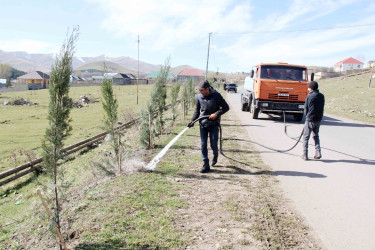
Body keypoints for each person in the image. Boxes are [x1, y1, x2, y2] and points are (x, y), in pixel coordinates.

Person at [187, 80, 230, 173]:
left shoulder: (216, 96)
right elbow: (197, 111)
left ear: (207, 89)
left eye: (202, 90)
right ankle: (206, 164)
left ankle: (215, 155)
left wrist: (217, 113)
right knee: (203, 144)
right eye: (199, 91)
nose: (200, 92)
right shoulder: (199, 97)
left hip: (214, 124)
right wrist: (192, 121)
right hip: (203, 124)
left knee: (213, 144)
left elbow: (226, 107)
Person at [302, 81, 325, 160]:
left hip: (310, 119)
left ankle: (305, 154)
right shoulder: (322, 96)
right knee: (316, 136)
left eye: (308, 88)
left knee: (305, 137)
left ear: (310, 88)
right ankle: (318, 152)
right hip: (318, 119)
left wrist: (307, 116)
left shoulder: (309, 96)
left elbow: (306, 109)